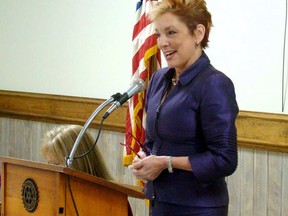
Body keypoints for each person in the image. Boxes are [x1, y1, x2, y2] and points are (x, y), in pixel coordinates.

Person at [128, 0, 239, 215]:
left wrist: (165, 163)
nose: (162, 43)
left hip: (198, 207)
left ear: (198, 33)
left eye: (171, 33)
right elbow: (154, 142)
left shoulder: (214, 84)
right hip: (159, 203)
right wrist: (144, 158)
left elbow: (224, 160)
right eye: (159, 34)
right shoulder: (159, 79)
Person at [41, 125, 134, 216]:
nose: (50, 170)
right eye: (49, 164)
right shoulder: (49, 197)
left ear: (78, 162)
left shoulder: (115, 201)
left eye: (55, 164)